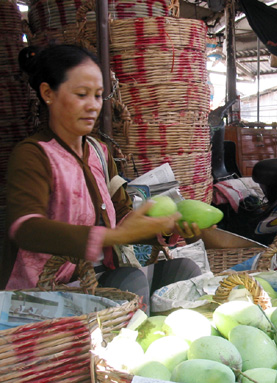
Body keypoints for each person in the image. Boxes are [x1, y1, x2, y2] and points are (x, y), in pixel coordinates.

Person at [1, 44, 207, 308]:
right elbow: (25, 228)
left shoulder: (99, 152)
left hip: (96, 279)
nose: (92, 106)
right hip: (42, 294)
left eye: (98, 96)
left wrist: (163, 229)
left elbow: (121, 216)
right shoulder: (33, 155)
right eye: (81, 94)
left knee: (185, 272)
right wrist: (108, 237)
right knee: (130, 281)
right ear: (47, 93)